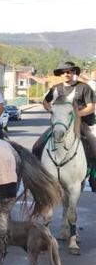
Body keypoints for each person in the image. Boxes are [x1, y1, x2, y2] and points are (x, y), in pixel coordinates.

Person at [34, 61, 96, 190]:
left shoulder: (84, 88)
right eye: (64, 72)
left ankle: (93, 177)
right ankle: (38, 176)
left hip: (82, 123)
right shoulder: (56, 88)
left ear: (74, 73)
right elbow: (45, 102)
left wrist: (75, 114)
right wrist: (52, 111)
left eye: (69, 71)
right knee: (37, 146)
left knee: (94, 146)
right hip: (60, 123)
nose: (66, 74)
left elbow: (91, 107)